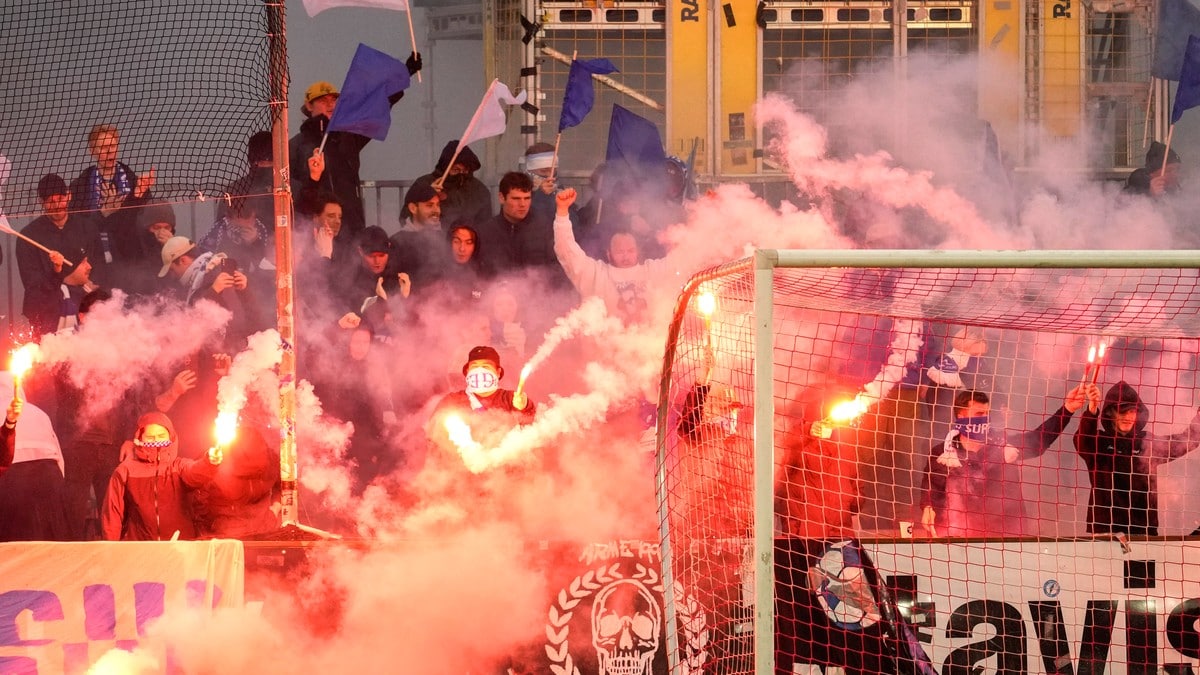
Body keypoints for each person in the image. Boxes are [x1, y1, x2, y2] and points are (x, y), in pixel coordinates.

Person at [919, 385, 1093, 538]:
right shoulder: (942, 453)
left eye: (987, 414)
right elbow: (931, 488)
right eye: (979, 414)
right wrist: (928, 507)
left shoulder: (1004, 446)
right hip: (959, 537)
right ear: (961, 416)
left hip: (1006, 536)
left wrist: (1068, 409)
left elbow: (1040, 439)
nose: (984, 419)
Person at [289, 52, 422, 239]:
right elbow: (292, 194)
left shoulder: (348, 137)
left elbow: (378, 105)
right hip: (315, 229)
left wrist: (404, 74)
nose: (330, 104)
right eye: (322, 100)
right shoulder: (295, 146)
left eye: (334, 100)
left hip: (352, 226)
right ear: (308, 106)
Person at [1073, 380, 1200, 536]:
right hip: (1106, 530)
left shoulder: (1147, 441)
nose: (1128, 416)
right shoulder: (1098, 442)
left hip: (1143, 529)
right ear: (1110, 413)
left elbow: (1184, 442)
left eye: (1132, 411)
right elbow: (1081, 440)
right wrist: (1091, 410)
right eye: (1122, 411)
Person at [552, 187, 668, 325]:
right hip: (603, 344)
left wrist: (701, 215)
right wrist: (562, 212)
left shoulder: (651, 271)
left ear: (638, 251)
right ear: (608, 253)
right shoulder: (596, 274)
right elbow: (566, 251)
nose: (626, 257)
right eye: (620, 252)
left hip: (646, 343)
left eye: (630, 251)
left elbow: (686, 257)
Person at [101, 411, 222, 541]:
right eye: (150, 437)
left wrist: (209, 462)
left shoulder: (178, 466)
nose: (157, 440)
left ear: (170, 437)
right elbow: (112, 514)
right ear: (140, 438)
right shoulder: (125, 471)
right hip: (140, 550)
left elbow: (196, 472)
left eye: (161, 436)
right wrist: (111, 549)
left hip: (179, 549)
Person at [17, 174, 106, 337]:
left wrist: (91, 291)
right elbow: (32, 284)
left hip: (84, 308)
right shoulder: (28, 236)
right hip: (45, 314)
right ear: (41, 202)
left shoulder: (87, 227)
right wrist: (58, 274)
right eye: (51, 201)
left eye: (61, 198)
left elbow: (100, 268)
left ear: (69, 196)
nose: (57, 205)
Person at [0, 371, 70, 541]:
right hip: (49, 479)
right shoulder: (40, 413)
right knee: (51, 542)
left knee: (13, 543)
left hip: (12, 481)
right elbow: (58, 455)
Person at [428, 345, 536, 452]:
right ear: (467, 372)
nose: (479, 371)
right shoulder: (452, 401)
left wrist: (524, 408)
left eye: (486, 366)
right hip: (459, 467)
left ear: (498, 372)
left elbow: (531, 433)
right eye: (474, 367)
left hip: (505, 466)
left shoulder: (512, 398)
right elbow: (434, 437)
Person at [68, 124, 156, 248]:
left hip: (130, 256)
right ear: (92, 151)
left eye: (113, 146)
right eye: (104, 147)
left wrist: (138, 195)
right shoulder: (80, 186)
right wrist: (103, 213)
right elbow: (75, 227)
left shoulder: (134, 183)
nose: (110, 151)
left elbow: (145, 224)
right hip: (93, 255)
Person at [192, 423, 280, 538]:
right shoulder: (215, 462)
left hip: (261, 531)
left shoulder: (271, 461)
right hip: (228, 533)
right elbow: (197, 498)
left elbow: (284, 485)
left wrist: (275, 510)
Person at [409, 140, 493, 231]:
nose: (461, 174)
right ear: (445, 167)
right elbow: (406, 217)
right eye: (456, 170)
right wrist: (427, 195)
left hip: (468, 242)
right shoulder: (423, 184)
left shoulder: (479, 190)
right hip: (431, 241)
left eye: (465, 170)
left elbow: (486, 226)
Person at [391, 182, 445, 291]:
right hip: (411, 305)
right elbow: (392, 286)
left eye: (438, 205)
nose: (436, 210)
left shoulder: (445, 239)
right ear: (413, 208)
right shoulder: (396, 243)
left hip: (443, 304)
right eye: (429, 205)